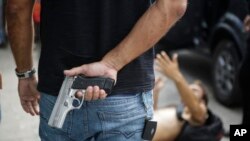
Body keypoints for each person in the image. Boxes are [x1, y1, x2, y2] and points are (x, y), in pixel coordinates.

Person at [6, 0, 187, 140]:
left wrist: (25, 74)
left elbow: (16, 8)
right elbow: (173, 6)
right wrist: (112, 63)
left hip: (59, 91)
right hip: (126, 96)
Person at [153, 51, 224, 141]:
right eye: (188, 89)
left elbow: (196, 110)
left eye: (194, 90)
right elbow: (152, 116)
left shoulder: (199, 113)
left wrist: (177, 76)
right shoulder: (176, 107)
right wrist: (155, 93)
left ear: (203, 101)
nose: (188, 90)